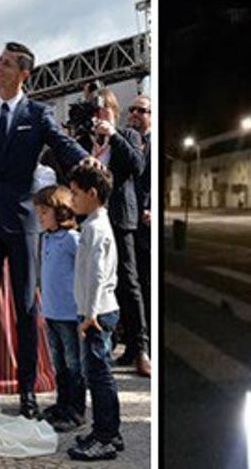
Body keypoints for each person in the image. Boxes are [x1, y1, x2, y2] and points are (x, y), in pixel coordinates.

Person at [0, 41, 94, 419]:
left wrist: (88, 160)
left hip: (22, 221)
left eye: (5, 64)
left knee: (26, 307)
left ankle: (28, 391)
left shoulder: (37, 113)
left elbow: (62, 145)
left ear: (22, 73)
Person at [90, 89, 149, 376]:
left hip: (121, 218)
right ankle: (106, 344)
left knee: (129, 283)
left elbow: (138, 166)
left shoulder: (128, 135)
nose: (96, 116)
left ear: (111, 110)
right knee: (100, 283)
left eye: (99, 109)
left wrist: (113, 135)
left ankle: (140, 348)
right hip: (93, 219)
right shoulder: (89, 140)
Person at [66, 163, 122, 461]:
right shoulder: (93, 224)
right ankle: (110, 431)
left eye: (75, 194)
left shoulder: (95, 228)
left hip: (96, 314)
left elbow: (97, 274)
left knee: (99, 376)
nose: (71, 200)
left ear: (92, 193)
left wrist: (88, 314)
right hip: (96, 310)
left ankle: (105, 436)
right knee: (100, 374)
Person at [33, 185, 85, 432]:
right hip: (51, 311)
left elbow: (85, 272)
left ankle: (76, 410)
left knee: (74, 363)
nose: (40, 218)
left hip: (69, 312)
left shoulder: (73, 239)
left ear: (61, 212)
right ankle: (62, 404)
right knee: (59, 364)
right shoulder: (45, 238)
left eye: (44, 213)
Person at [126, 94, 153, 337]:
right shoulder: (125, 142)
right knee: (130, 284)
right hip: (128, 224)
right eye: (132, 109)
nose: (135, 113)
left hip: (147, 227)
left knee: (146, 285)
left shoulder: (154, 145)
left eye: (141, 110)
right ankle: (135, 341)